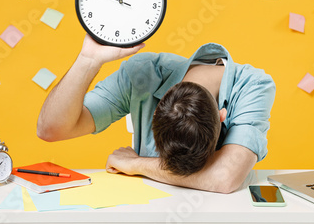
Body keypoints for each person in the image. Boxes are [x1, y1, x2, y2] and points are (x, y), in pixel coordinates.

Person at [37, 34, 275, 194]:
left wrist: (136, 163)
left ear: (224, 116)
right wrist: (88, 60)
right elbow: (50, 129)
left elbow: (225, 177)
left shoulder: (254, 85)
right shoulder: (143, 75)